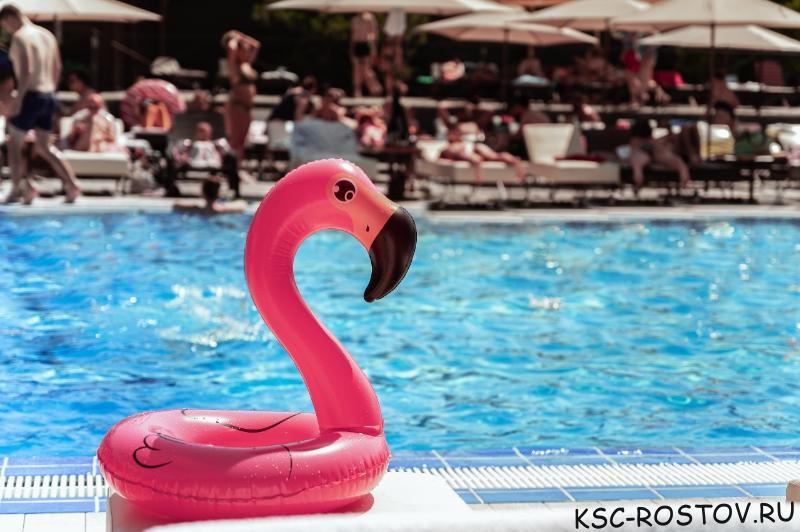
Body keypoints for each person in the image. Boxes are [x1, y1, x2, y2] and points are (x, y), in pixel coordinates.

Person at [1, 4, 80, 204]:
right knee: (44, 146)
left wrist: (18, 100)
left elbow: (26, 71)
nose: (7, 30)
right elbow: (57, 67)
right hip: (48, 95)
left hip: (30, 94)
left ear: (10, 19)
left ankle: (18, 189)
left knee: (14, 143)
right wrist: (51, 92)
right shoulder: (47, 35)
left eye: (5, 26)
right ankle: (72, 184)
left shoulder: (20, 37)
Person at [166, 121, 239, 198]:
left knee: (231, 162)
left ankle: (233, 190)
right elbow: (180, 153)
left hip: (212, 162)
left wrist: (221, 156)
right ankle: (170, 189)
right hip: (193, 162)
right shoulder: (190, 144)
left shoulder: (216, 144)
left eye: (205, 131)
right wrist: (183, 157)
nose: (204, 133)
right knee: (173, 165)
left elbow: (225, 153)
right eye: (201, 131)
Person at [222, 30, 260, 170]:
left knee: (242, 140)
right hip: (237, 105)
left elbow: (256, 45)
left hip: (247, 107)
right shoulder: (233, 64)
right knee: (236, 140)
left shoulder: (246, 64)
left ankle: (238, 167)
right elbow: (231, 48)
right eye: (242, 48)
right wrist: (234, 38)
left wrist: (242, 37)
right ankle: (231, 168)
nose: (246, 50)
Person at [440, 123, 525, 184]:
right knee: (495, 156)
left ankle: (478, 177)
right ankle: (517, 165)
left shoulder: (453, 146)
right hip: (473, 147)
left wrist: (477, 175)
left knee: (492, 156)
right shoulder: (456, 145)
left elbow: (474, 158)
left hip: (469, 149)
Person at [628, 119, 692, 191]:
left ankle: (684, 176)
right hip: (645, 155)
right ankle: (638, 177)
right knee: (639, 162)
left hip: (656, 154)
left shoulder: (655, 144)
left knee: (675, 162)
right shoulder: (638, 144)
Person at [173, 175, 246, 214]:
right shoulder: (222, 209)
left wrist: (196, 203)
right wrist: (225, 206)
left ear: (202, 193)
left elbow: (176, 204)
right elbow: (243, 205)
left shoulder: (197, 209)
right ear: (218, 194)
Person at [350, 11, 381, 97]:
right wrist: (351, 49)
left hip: (366, 44)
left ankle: (374, 87)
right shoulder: (354, 19)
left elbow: (374, 33)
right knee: (356, 69)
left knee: (366, 69)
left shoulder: (370, 17)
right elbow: (352, 36)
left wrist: (373, 47)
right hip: (357, 44)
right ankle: (357, 90)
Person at [379, 7, 406, 92]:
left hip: (391, 47)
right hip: (392, 47)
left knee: (390, 73)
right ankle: (391, 91)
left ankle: (391, 91)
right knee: (391, 72)